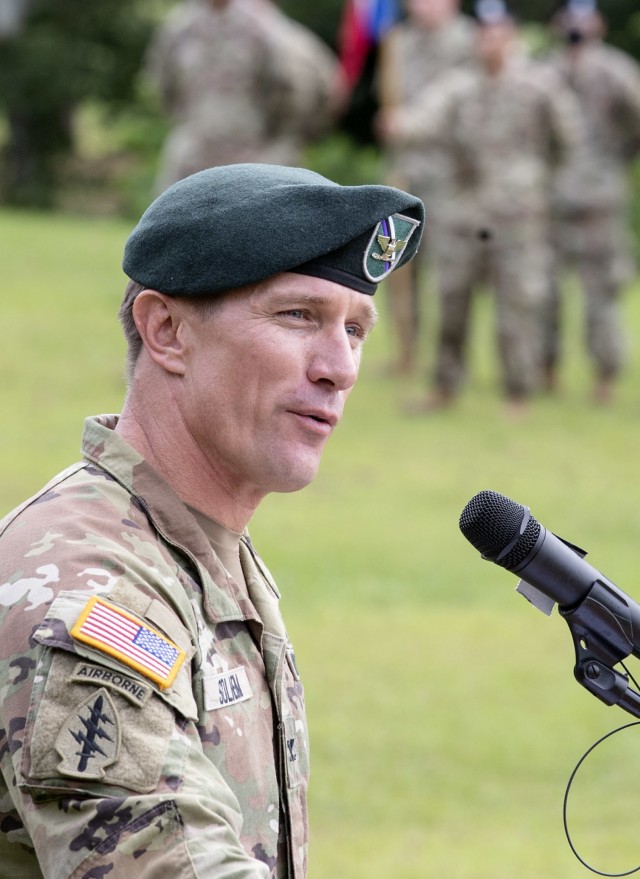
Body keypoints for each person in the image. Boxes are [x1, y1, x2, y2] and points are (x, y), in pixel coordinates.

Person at [0, 163, 424, 877]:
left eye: (355, 328)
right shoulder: (90, 588)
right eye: (299, 315)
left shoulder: (196, 549)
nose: (340, 366)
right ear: (166, 331)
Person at [378, 0, 581, 414]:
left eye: (499, 33)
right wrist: (400, 124)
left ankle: (518, 391)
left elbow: (568, 139)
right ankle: (445, 388)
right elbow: (424, 119)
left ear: (513, 37)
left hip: (518, 216)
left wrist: (535, 181)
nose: (490, 42)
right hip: (464, 215)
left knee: (517, 305)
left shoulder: (539, 86)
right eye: (484, 34)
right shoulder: (459, 86)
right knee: (453, 299)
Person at [541, 0, 640, 404]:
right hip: (553, 195)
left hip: (597, 196)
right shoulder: (546, 71)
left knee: (600, 290)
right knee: (544, 289)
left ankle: (605, 374)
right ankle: (546, 369)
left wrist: (618, 157)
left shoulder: (614, 70)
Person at [145, 0, 341, 191]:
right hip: (194, 155)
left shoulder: (265, 27)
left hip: (255, 154)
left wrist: (281, 139)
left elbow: (306, 88)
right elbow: (162, 84)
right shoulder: (179, 27)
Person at [376, 0, 475, 375]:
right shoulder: (397, 41)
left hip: (454, 175)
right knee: (398, 261)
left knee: (452, 271)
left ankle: (448, 358)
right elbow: (388, 96)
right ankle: (405, 352)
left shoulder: (469, 41)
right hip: (407, 171)